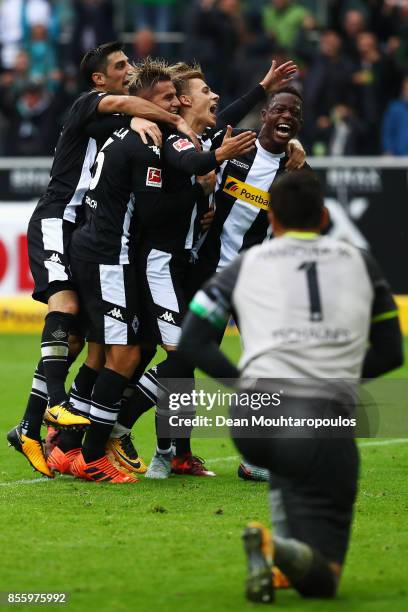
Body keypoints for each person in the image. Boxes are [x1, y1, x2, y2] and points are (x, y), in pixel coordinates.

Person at [178, 170, 403, 602]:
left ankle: (278, 558)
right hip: (323, 419)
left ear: (273, 220)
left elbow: (191, 341)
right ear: (323, 217)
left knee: (287, 453)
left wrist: (246, 389)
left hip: (255, 419)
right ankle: (277, 547)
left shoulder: (247, 263)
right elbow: (392, 352)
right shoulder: (360, 261)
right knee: (325, 580)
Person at [6, 41, 196, 479]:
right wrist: (167, 118)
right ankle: (56, 406)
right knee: (66, 306)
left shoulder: (118, 120)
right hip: (57, 216)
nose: (130, 69)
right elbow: (128, 103)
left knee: (78, 342)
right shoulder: (85, 105)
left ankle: (30, 428)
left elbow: (129, 111)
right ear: (98, 80)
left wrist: (141, 118)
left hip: (83, 232)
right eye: (121, 65)